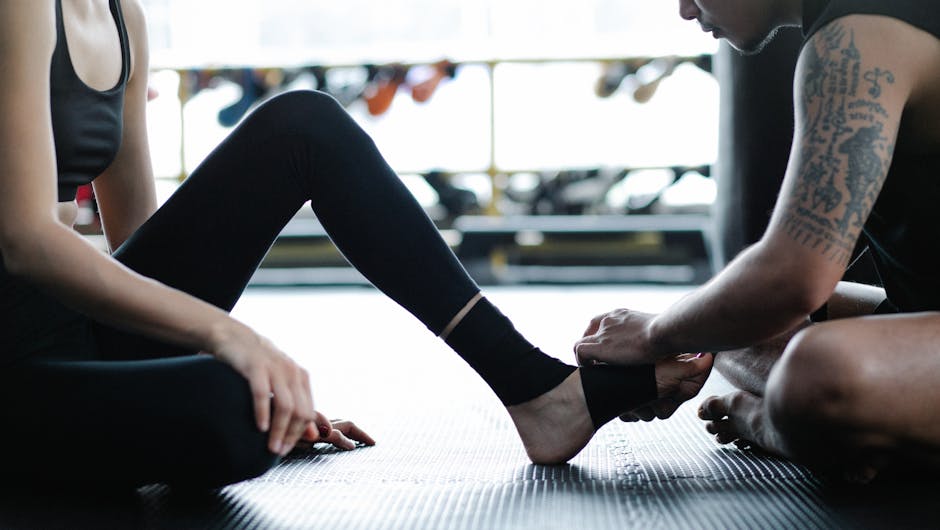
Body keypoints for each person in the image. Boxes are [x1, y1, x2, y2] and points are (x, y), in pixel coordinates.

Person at [0, 1, 713, 489]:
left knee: (304, 126)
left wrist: (253, 372)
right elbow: (26, 239)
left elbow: (144, 247)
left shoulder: (122, 15)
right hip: (15, 347)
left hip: (78, 331)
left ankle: (535, 388)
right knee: (231, 408)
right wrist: (233, 340)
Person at [576, 0, 940, 482]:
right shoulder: (853, 26)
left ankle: (775, 424)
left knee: (815, 375)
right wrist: (689, 337)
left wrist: (653, 335)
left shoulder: (859, 38)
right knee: (730, 319)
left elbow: (793, 278)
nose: (686, 9)